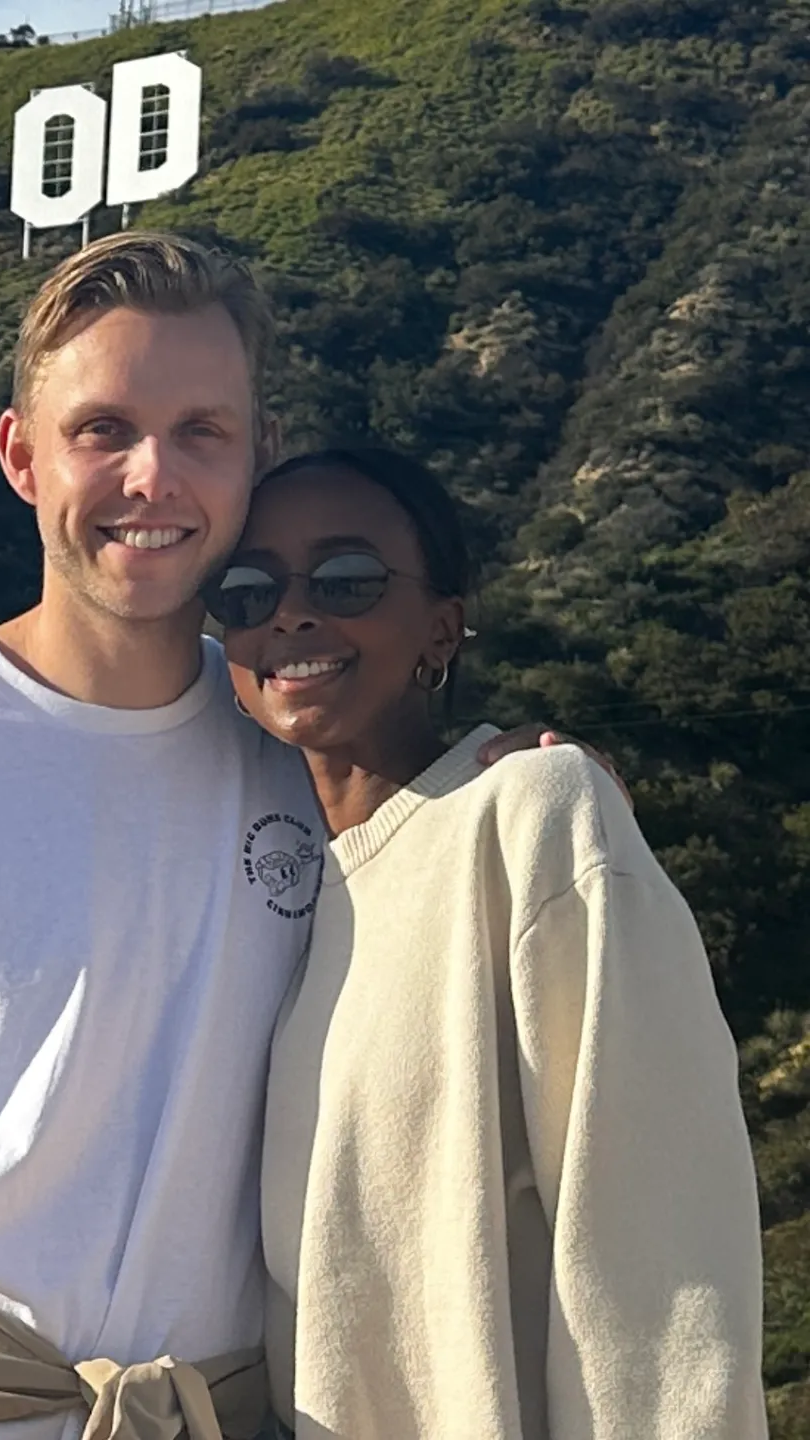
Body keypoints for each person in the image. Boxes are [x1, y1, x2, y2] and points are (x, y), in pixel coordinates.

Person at [0, 234, 609, 1440]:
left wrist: (526, 797)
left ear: (256, 456)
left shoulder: (304, 756)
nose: (153, 476)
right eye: (103, 428)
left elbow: (457, 890)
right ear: (22, 455)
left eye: (202, 430)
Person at [203, 446, 766, 1439]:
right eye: (247, 589)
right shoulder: (266, 886)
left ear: (442, 627)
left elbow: (661, 1268)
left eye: (347, 579)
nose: (292, 613)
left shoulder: (536, 819)